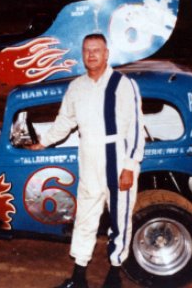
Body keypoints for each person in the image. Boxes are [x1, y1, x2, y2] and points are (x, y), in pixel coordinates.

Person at [30, 33, 145, 288]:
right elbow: (65, 121)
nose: (91, 55)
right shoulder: (77, 87)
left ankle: (115, 275)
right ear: (82, 54)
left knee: (120, 217)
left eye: (97, 50)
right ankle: (79, 277)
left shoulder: (123, 85)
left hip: (117, 158)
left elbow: (136, 129)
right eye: (87, 50)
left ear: (106, 54)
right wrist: (44, 142)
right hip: (89, 156)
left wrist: (130, 166)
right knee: (85, 216)